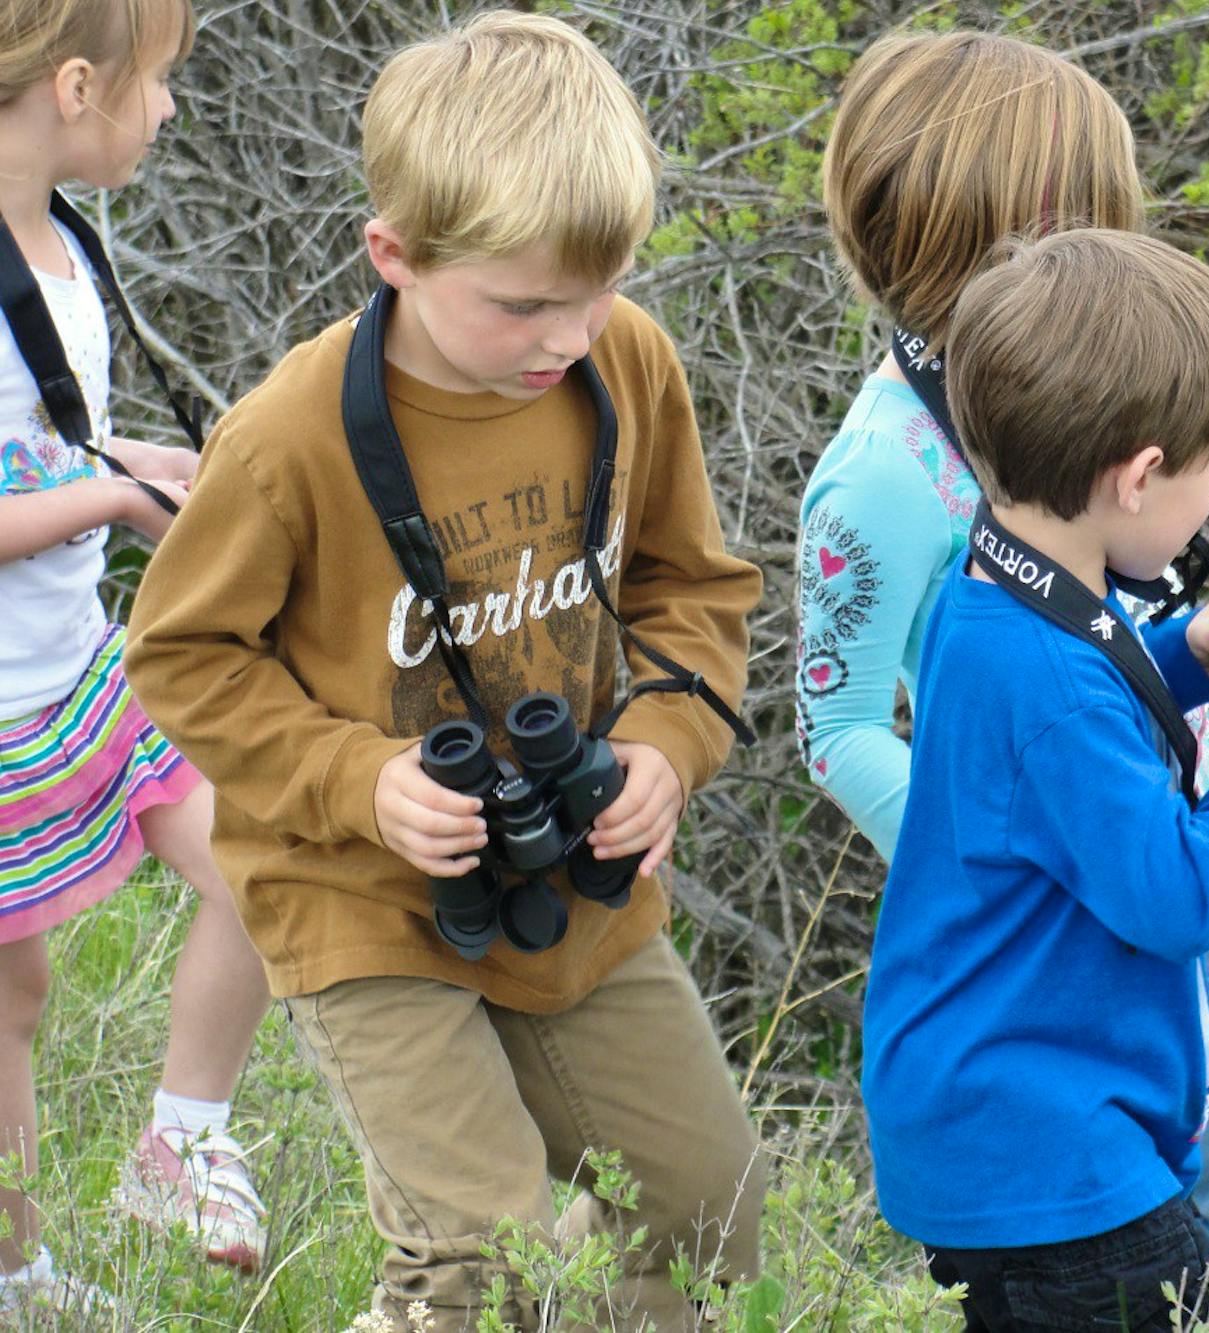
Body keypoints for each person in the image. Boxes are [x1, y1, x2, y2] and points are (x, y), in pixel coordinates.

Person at [123, 13, 766, 1329]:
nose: (570, 334)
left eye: (600, 289)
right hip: (358, 893)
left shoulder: (625, 363)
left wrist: (662, 744)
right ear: (395, 255)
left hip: (567, 873)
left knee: (707, 1201)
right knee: (484, 1257)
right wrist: (363, 781)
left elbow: (692, 588)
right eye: (525, 303)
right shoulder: (287, 440)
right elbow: (181, 657)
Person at [797, 30, 1209, 1293]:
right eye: (1090, 221)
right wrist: (996, 876)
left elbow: (1068, 660)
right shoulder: (885, 468)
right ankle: (1132, 1267)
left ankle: (1138, 1262)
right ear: (1006, 233)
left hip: (1134, 842)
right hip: (1084, 886)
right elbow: (838, 726)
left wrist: (1192, 661)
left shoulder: (1055, 401)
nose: (1118, 243)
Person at [864, 226, 1209, 1330]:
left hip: (988, 1130)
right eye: (1208, 469)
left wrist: (1181, 662)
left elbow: (1051, 743)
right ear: (1139, 475)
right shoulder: (1049, 668)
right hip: (1055, 1173)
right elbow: (1181, 897)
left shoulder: (991, 587)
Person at [0, 0, 273, 1311]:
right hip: (4, 716)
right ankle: (20, 1272)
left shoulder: (64, 249)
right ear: (72, 87)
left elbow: (58, 442)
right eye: (156, 84)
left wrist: (166, 471)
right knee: (11, 1004)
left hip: (87, 673)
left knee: (267, 857)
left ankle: (182, 1140)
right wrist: (116, 506)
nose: (166, 112)